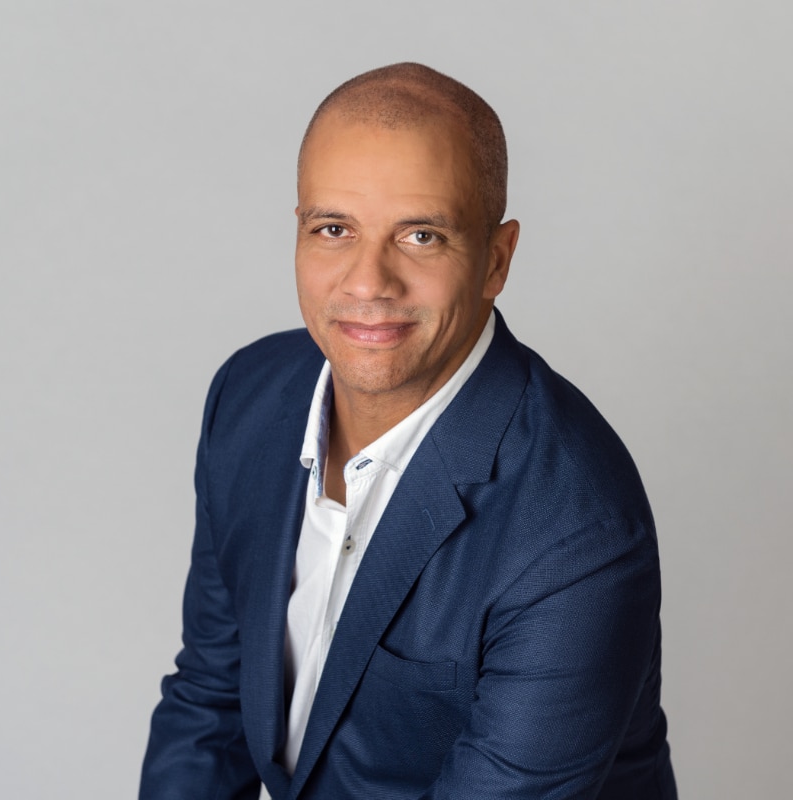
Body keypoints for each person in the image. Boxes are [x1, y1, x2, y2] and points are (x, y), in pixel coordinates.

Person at [139, 62, 677, 800]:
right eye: (333, 229)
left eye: (421, 235)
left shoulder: (577, 531)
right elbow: (210, 701)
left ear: (495, 260)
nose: (368, 282)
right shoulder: (249, 397)